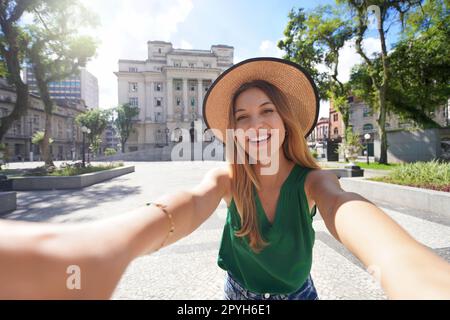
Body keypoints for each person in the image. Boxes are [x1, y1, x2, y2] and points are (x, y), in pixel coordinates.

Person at [0, 58, 449, 300]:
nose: (255, 125)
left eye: (267, 111)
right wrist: (105, 244)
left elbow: (344, 207)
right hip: (234, 293)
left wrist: (403, 264)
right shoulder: (228, 175)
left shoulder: (312, 181)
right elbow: (192, 202)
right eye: (242, 117)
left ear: (285, 120)